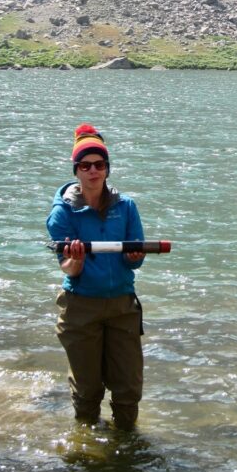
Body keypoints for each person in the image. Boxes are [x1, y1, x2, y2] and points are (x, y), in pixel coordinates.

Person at [47, 123, 146, 430]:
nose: (93, 171)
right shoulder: (62, 214)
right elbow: (68, 268)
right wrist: (75, 261)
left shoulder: (127, 207)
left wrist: (134, 256)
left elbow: (135, 260)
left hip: (121, 306)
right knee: (88, 391)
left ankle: (128, 444)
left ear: (107, 169)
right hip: (81, 306)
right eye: (86, 165)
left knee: (128, 388)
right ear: (76, 171)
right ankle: (88, 453)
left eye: (99, 165)